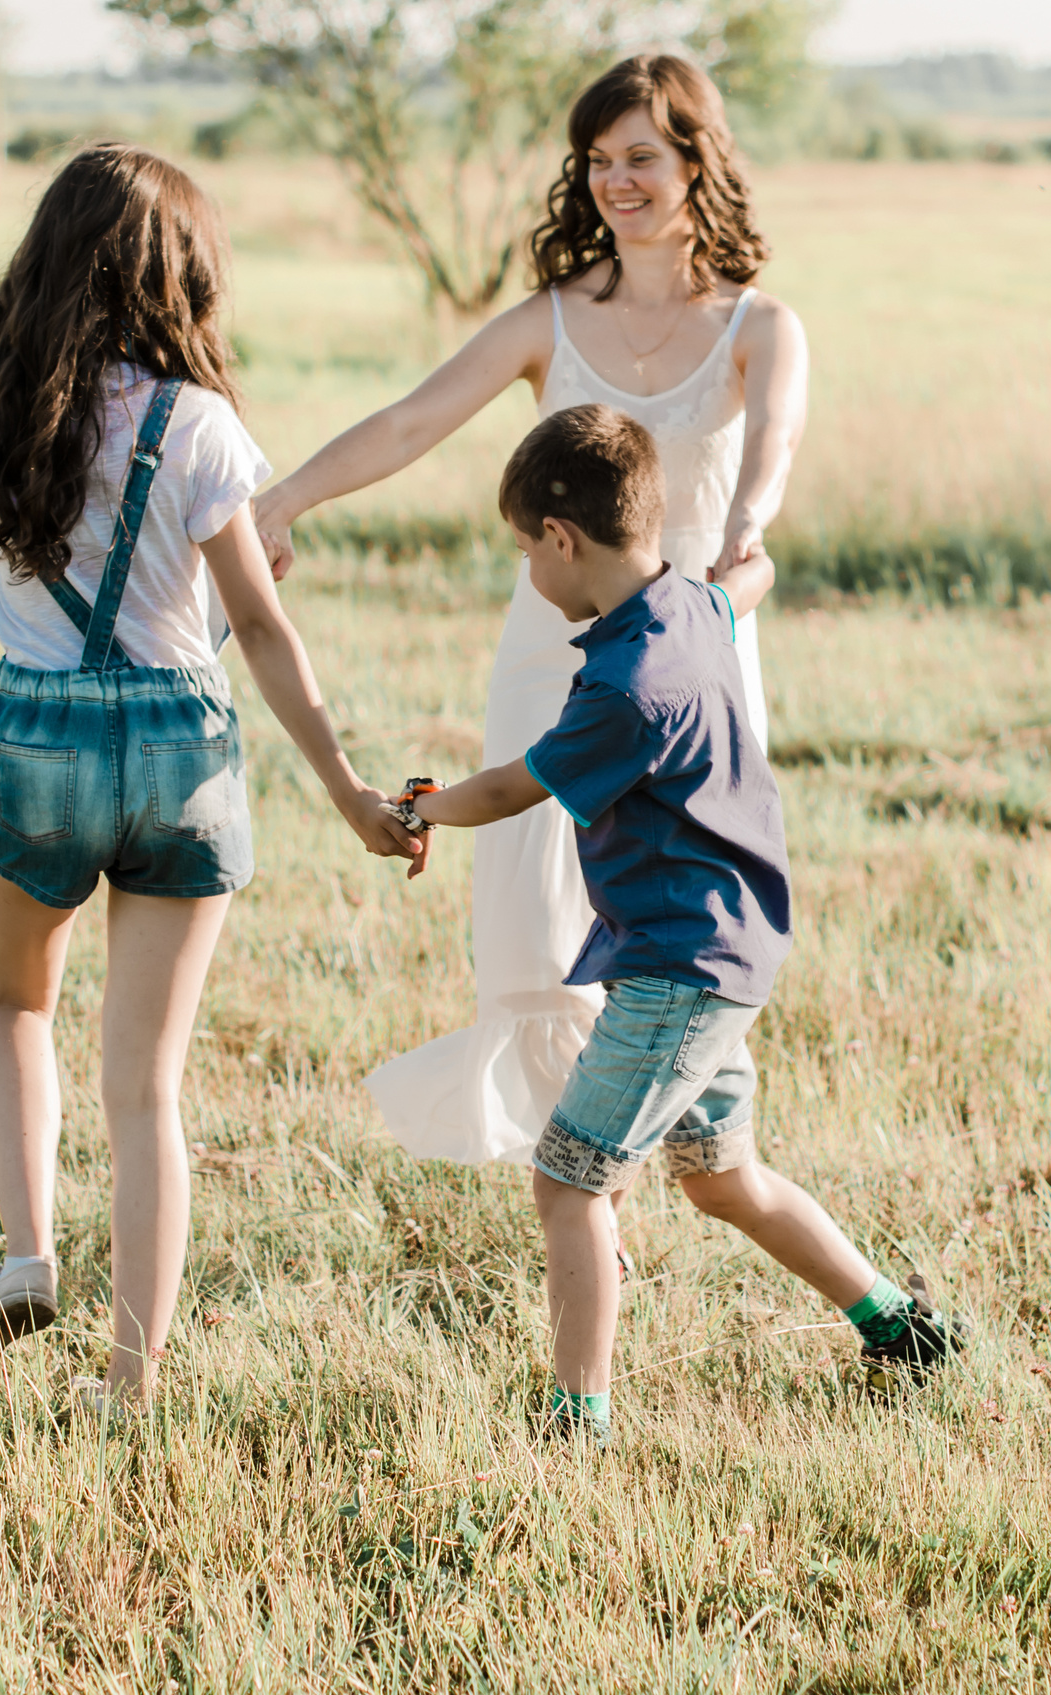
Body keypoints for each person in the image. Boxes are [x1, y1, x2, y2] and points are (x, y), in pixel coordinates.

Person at [0, 143, 422, 1401]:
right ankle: (134, 1381)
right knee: (148, 1088)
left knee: (16, 1008)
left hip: (38, 740)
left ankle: (27, 1256)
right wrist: (349, 789)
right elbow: (259, 627)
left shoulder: (5, 406)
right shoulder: (200, 427)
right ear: (182, 280)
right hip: (182, 749)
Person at [253, 55, 811, 1168]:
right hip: (547, 649)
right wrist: (282, 500)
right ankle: (582, 1168)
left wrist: (740, 548)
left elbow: (770, 460)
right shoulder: (548, 319)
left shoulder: (761, 326)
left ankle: (656, 1144)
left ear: (697, 160)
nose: (616, 181)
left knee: (671, 890)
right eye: (598, 161)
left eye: (641, 157)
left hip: (692, 649)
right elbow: (413, 422)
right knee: (534, 913)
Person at [394, 405, 960, 1442]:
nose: (527, 570)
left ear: (560, 540)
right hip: (726, 950)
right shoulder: (692, 607)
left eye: (527, 548)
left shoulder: (623, 686)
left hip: (677, 969)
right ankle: (899, 1328)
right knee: (723, 1179)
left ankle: (576, 1424)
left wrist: (416, 806)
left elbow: (518, 788)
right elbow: (749, 584)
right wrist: (758, 561)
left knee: (568, 1182)